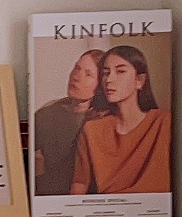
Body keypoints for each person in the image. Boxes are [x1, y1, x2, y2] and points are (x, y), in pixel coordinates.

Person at [73, 44, 172, 197]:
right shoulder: (92, 130)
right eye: (105, 73)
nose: (109, 80)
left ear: (140, 80)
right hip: (106, 207)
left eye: (120, 71)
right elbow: (80, 183)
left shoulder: (163, 122)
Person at [33, 46, 105, 198]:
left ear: (100, 85)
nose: (77, 77)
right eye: (77, 68)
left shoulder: (104, 120)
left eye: (88, 74)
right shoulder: (47, 114)